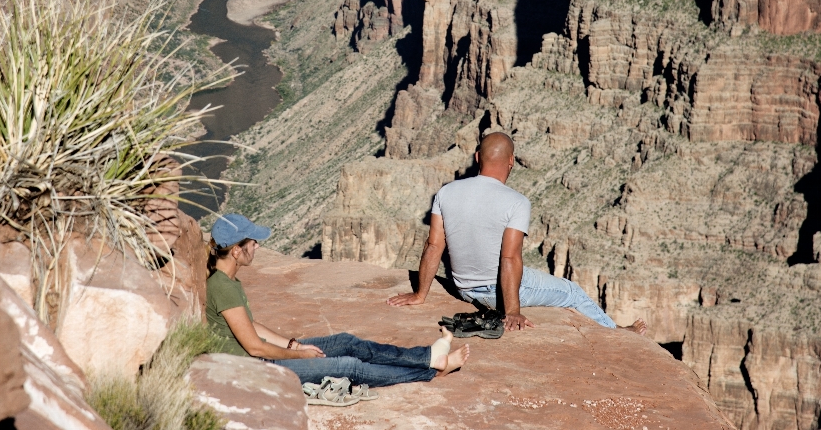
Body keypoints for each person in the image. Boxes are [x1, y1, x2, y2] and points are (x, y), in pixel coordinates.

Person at [388, 132, 648, 335]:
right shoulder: (516, 202)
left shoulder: (446, 192)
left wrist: (420, 295)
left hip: (463, 289)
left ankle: (614, 329)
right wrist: (512, 311)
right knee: (572, 291)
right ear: (511, 161)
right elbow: (509, 259)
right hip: (495, 293)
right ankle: (617, 332)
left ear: (478, 158)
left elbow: (433, 245)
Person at [206, 213, 469, 391]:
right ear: (236, 251)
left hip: (265, 358)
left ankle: (428, 356)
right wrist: (298, 355)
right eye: (253, 242)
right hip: (258, 370)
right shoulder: (221, 286)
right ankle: (432, 371)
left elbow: (252, 326)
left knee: (346, 342)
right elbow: (256, 349)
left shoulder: (229, 282)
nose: (257, 247)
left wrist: (293, 344)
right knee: (348, 367)